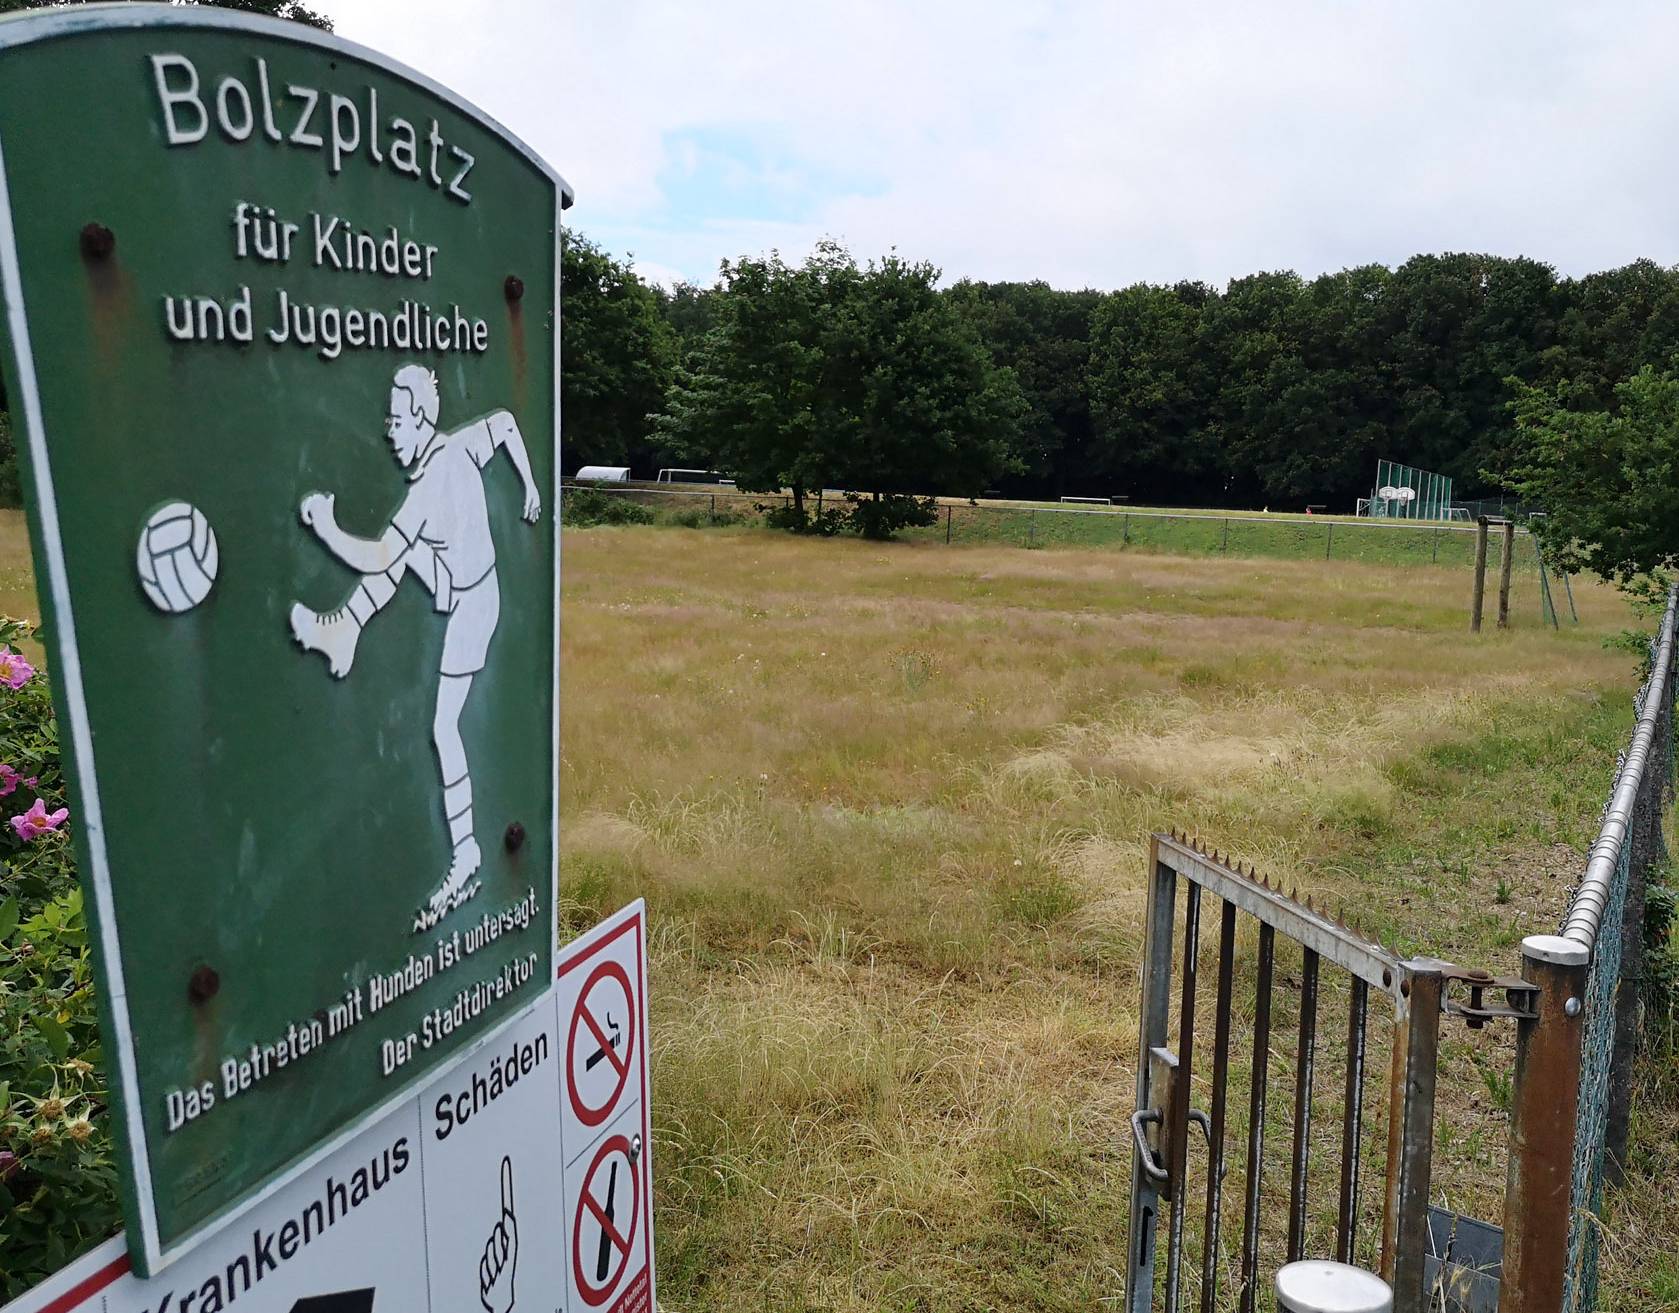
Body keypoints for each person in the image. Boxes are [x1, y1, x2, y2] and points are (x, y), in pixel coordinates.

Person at [289, 364, 541, 931]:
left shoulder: (429, 485)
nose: (388, 431)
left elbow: (378, 556)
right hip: (458, 578)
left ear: (422, 418)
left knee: (442, 729)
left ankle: (465, 852)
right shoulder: (454, 449)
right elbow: (501, 424)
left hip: (475, 603)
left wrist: (328, 529)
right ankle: (345, 629)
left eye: (397, 420)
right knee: (405, 556)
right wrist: (529, 484)